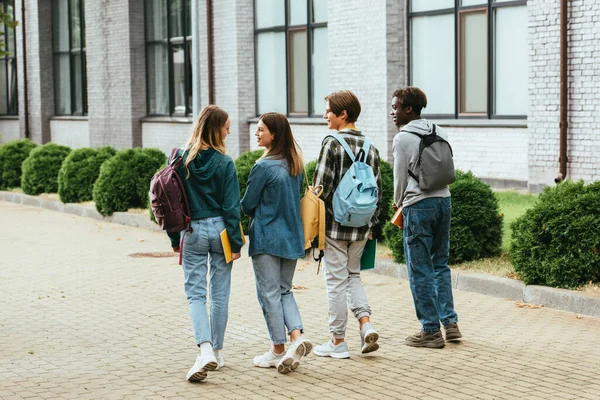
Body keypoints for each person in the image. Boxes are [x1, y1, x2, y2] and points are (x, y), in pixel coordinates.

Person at [167, 105, 243, 381]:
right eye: (226, 127)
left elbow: (170, 204)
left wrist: (175, 239)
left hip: (192, 230)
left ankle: (206, 349)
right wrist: (235, 243)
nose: (229, 131)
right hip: (221, 230)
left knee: (196, 294)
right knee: (220, 294)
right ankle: (218, 353)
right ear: (216, 129)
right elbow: (232, 208)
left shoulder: (180, 160)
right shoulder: (225, 163)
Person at [312, 90, 381, 359]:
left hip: (335, 226)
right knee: (353, 276)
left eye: (328, 110)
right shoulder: (370, 146)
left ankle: (338, 341)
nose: (324, 115)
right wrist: (372, 224)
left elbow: (320, 189)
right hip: (362, 225)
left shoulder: (332, 143)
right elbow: (379, 190)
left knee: (336, 282)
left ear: (343, 114)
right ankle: (366, 325)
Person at [241, 112, 312, 374]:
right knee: (284, 291)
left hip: (267, 238)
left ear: (274, 134)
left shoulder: (263, 167)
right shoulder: (295, 164)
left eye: (261, 130)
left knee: (269, 294)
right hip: (292, 237)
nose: (256, 133)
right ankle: (297, 338)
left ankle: (278, 349)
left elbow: (248, 205)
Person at [390, 86, 461, 349]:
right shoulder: (437, 130)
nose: (392, 112)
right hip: (444, 200)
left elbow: (399, 177)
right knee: (440, 264)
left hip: (419, 205)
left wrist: (397, 204)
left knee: (419, 269)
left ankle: (430, 331)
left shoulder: (402, 138)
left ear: (409, 109)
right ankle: (450, 323)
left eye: (396, 107)